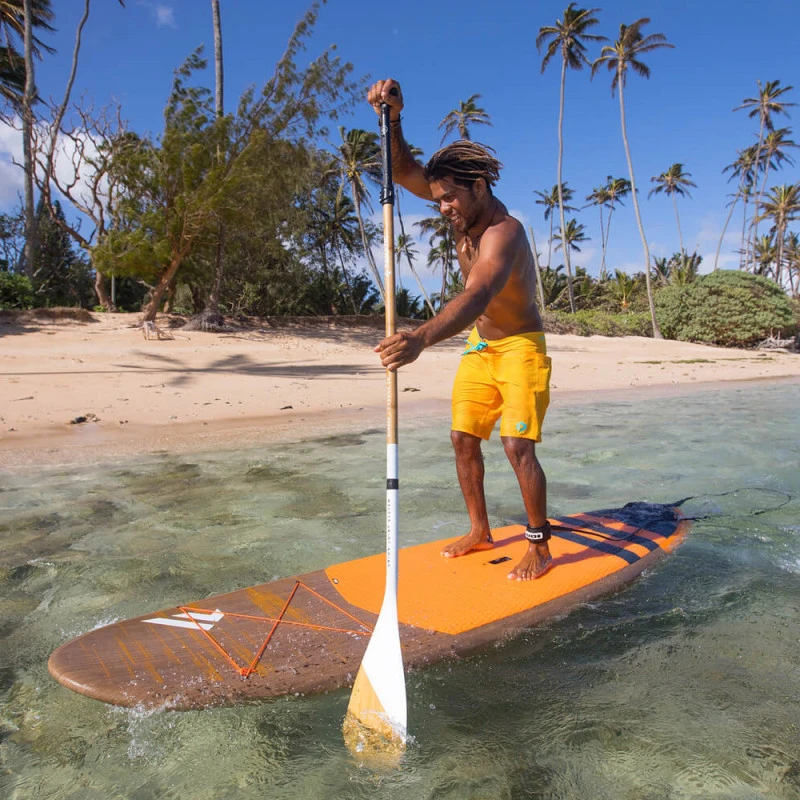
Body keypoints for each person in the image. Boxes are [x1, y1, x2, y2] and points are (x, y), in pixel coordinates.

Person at [368, 79, 554, 581]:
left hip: (520, 347)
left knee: (516, 446)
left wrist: (420, 338)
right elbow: (404, 171)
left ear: (480, 187)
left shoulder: (504, 233)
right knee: (462, 438)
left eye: (450, 198)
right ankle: (480, 530)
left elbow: (478, 294)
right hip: (481, 346)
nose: (443, 207)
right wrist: (393, 118)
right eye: (438, 200)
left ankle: (539, 544)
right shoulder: (461, 215)